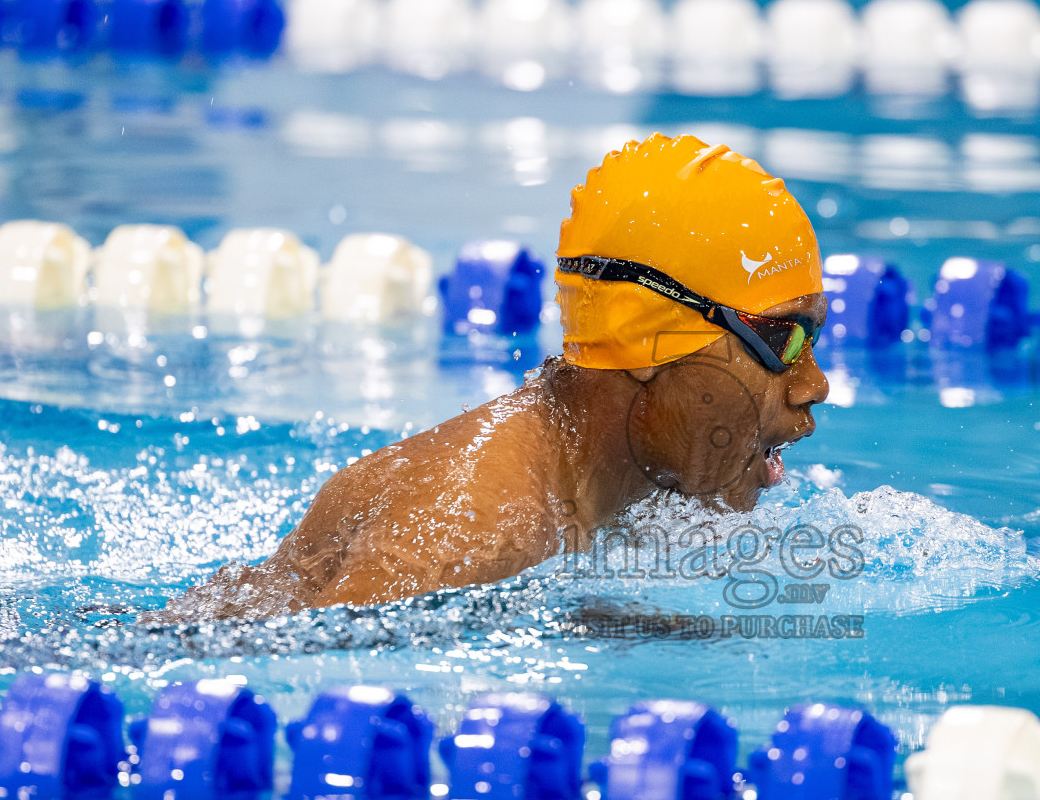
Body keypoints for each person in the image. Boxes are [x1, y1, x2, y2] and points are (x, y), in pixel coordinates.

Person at [156, 133, 830, 622]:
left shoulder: (624, 478)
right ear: (642, 336)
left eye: (815, 338)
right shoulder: (473, 527)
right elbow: (308, 696)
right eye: (780, 339)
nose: (813, 384)